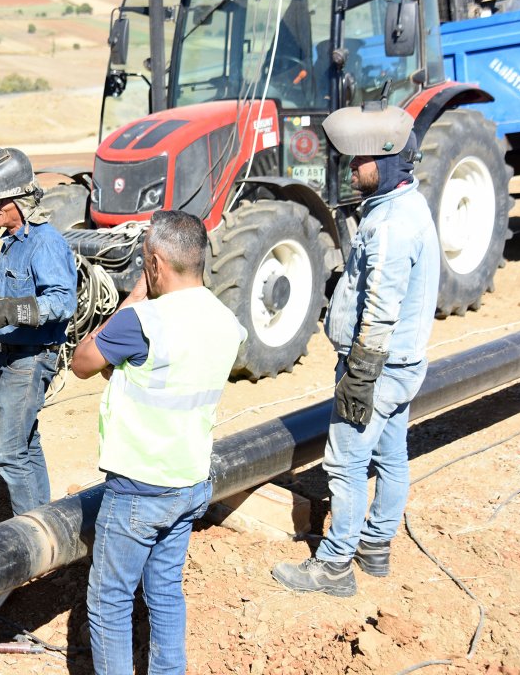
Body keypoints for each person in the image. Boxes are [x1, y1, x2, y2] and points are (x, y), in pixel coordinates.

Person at [273, 102, 438, 597]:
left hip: (378, 366)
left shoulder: (388, 228)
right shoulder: (407, 205)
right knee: (390, 454)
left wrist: (359, 376)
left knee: (345, 463)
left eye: (358, 160)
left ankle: (335, 564)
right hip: (404, 364)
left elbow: (381, 309)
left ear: (385, 161)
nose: (351, 167)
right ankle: (376, 546)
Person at [71, 209, 246, 675]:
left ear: (155, 263)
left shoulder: (145, 321)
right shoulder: (225, 320)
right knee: (165, 590)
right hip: (190, 480)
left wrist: (133, 296)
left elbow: (83, 361)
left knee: (110, 602)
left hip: (140, 488)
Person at [0, 145, 77, 517]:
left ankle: (32, 532)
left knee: (9, 451)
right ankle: (45, 518)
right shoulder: (13, 242)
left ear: (21, 202)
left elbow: (62, 302)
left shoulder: (45, 242)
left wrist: (9, 309)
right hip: (11, 357)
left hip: (31, 360)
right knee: (26, 441)